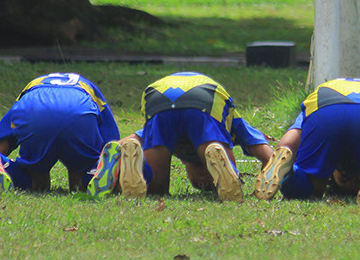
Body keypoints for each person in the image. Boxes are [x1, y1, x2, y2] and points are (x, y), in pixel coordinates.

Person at [115, 71, 274, 200]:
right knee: (210, 138)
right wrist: (265, 186)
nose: (203, 180)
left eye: (205, 165)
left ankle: (139, 166)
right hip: (204, 95)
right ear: (184, 161)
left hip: (159, 95)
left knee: (157, 190)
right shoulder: (235, 123)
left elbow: (126, 144)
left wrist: (112, 155)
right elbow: (272, 159)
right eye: (205, 165)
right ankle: (226, 170)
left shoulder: (172, 134)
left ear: (184, 160)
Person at [0, 72, 121, 193]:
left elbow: (7, 131)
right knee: (81, 174)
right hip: (78, 109)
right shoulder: (88, 86)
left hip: (34, 109)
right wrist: (99, 163)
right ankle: (90, 177)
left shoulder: (31, 87)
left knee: (37, 180)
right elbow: (111, 139)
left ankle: (6, 168)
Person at [253, 77, 360, 202]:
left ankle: (288, 174)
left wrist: (284, 149)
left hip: (328, 104)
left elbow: (292, 136)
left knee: (312, 190)